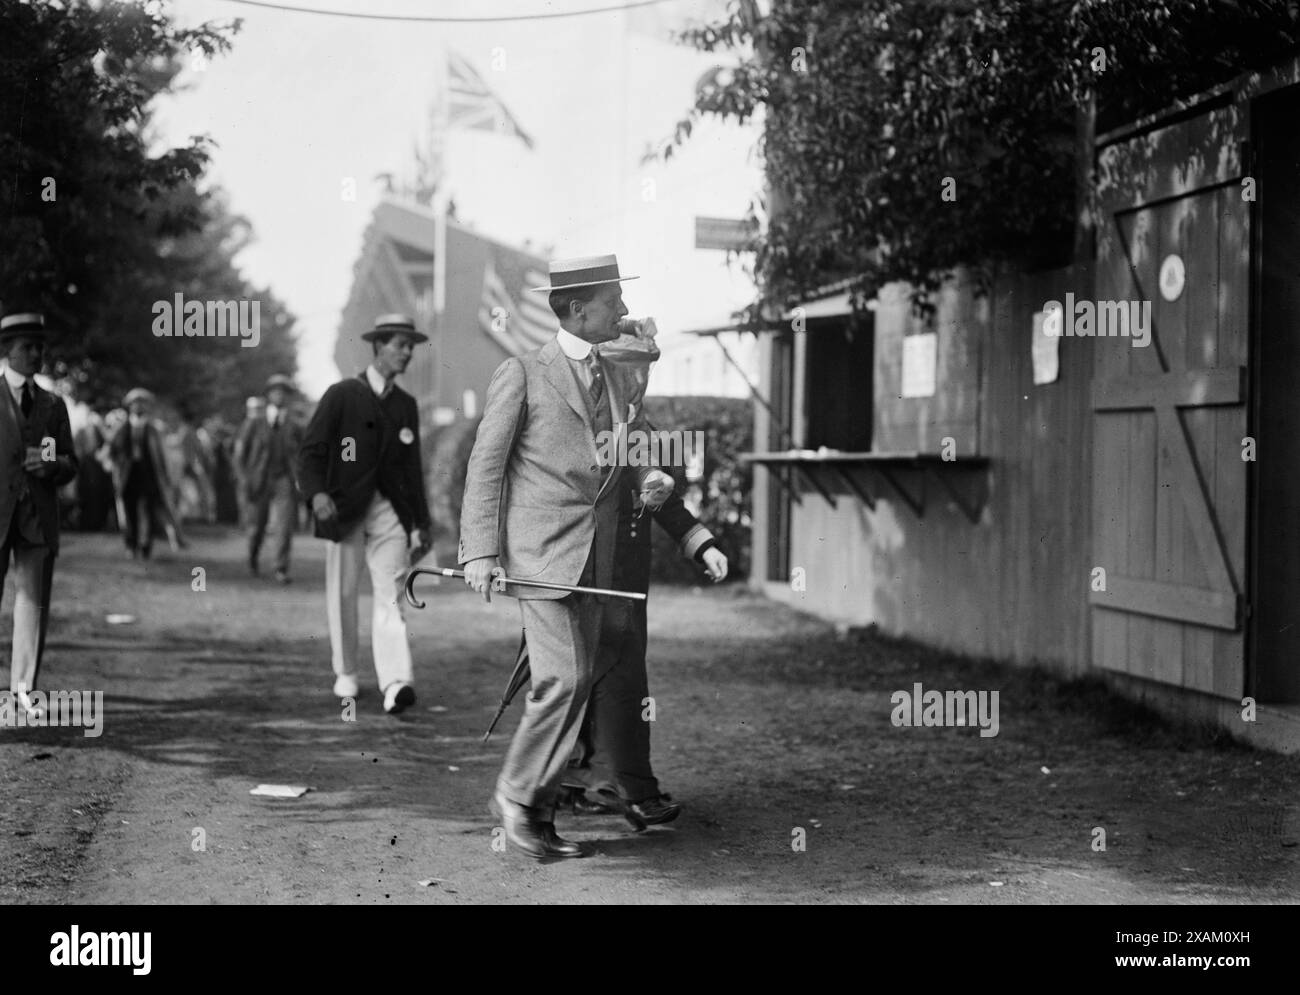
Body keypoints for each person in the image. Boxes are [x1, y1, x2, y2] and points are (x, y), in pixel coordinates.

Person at [458, 254, 673, 860]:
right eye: (613, 301)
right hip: (541, 557)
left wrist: (651, 475)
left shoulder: (616, 374)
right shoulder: (524, 372)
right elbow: (487, 464)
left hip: (596, 559)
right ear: (579, 308)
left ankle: (538, 810)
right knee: (565, 678)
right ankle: (514, 794)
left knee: (579, 681)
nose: (624, 311)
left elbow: (628, 445)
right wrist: (479, 550)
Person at [297, 314, 433, 715]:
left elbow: (413, 470)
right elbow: (311, 452)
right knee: (343, 592)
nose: (407, 353)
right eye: (399, 345)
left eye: (411, 346)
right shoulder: (342, 394)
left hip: (391, 511)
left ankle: (396, 682)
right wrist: (317, 493)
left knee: (391, 593)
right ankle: (346, 671)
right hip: (344, 508)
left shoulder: (406, 406)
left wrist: (421, 523)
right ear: (378, 347)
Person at [0, 311, 79, 719]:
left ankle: (22, 693)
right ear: (7, 351)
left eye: (39, 347)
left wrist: (49, 464)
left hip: (36, 519)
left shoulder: (52, 404)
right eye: (27, 347)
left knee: (32, 607)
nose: (36, 354)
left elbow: (69, 460)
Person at [236, 375, 302, 583]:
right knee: (257, 525)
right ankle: (252, 559)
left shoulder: (294, 425)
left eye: (284, 391)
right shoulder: (254, 423)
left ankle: (280, 568)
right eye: (275, 391)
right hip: (259, 479)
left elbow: (302, 453)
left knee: (284, 526)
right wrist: (244, 479)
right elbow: (240, 454)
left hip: (284, 478)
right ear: (268, 395)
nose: (279, 395)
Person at [107, 388, 179, 559]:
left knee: (148, 511)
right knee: (129, 511)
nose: (138, 407)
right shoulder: (121, 429)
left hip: (149, 476)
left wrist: (167, 475)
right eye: (135, 403)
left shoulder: (155, 429)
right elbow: (111, 451)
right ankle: (131, 545)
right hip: (128, 476)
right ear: (130, 406)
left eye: (142, 403)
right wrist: (117, 466)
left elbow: (163, 455)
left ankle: (146, 545)